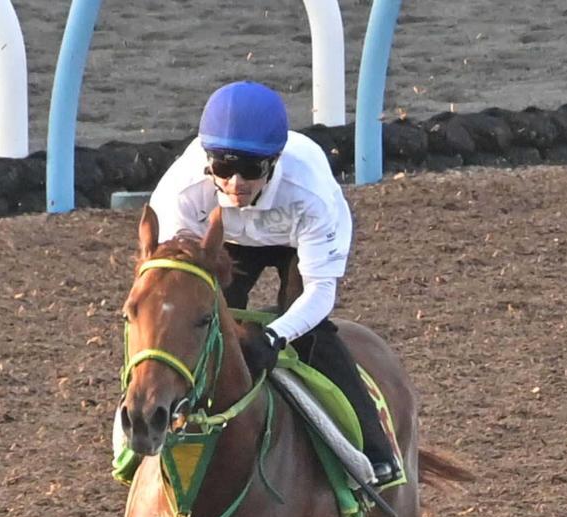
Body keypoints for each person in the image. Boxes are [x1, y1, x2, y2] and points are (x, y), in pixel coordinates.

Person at [147, 80, 400, 485]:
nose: (235, 184)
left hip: (294, 240)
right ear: (206, 159)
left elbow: (320, 293)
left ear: (275, 161)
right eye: (224, 168)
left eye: (250, 170)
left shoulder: (310, 193)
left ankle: (375, 449)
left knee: (310, 333)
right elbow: (173, 282)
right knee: (194, 322)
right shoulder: (182, 189)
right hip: (227, 238)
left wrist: (274, 336)